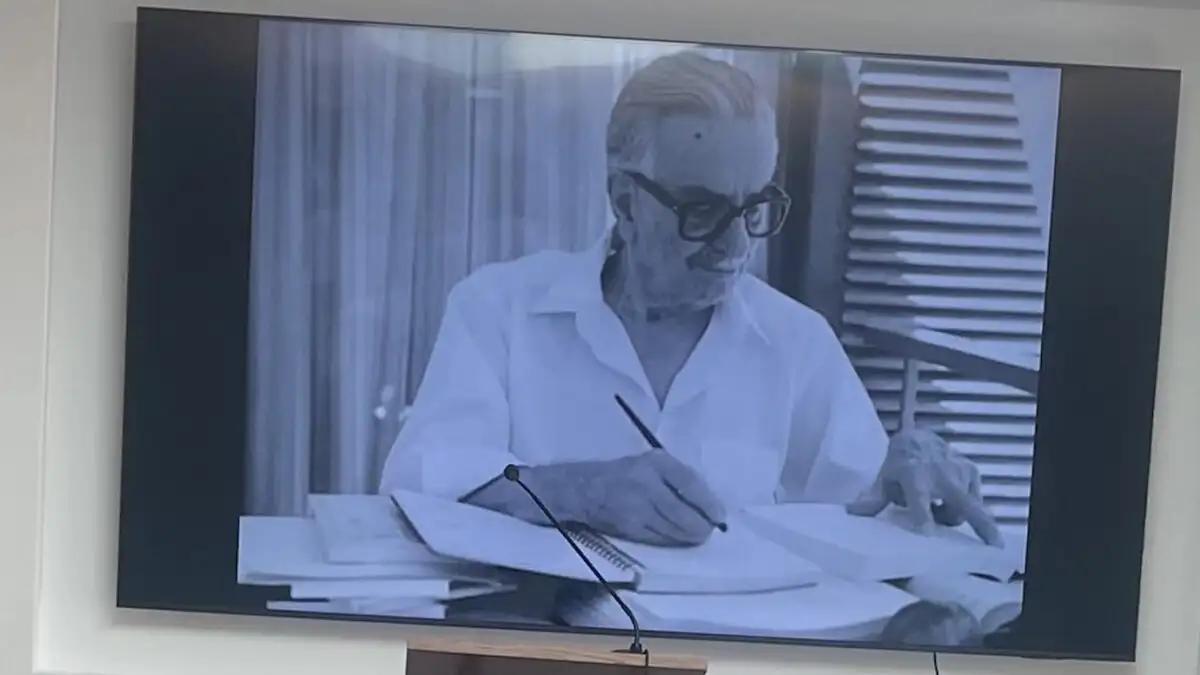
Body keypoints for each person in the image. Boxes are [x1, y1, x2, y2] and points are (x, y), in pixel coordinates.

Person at [379, 51, 1001, 549]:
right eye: (702, 210)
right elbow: (419, 488)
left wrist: (911, 472)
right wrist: (580, 491)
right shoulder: (498, 309)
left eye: (754, 206)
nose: (737, 244)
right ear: (626, 203)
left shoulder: (797, 340)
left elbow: (868, 504)